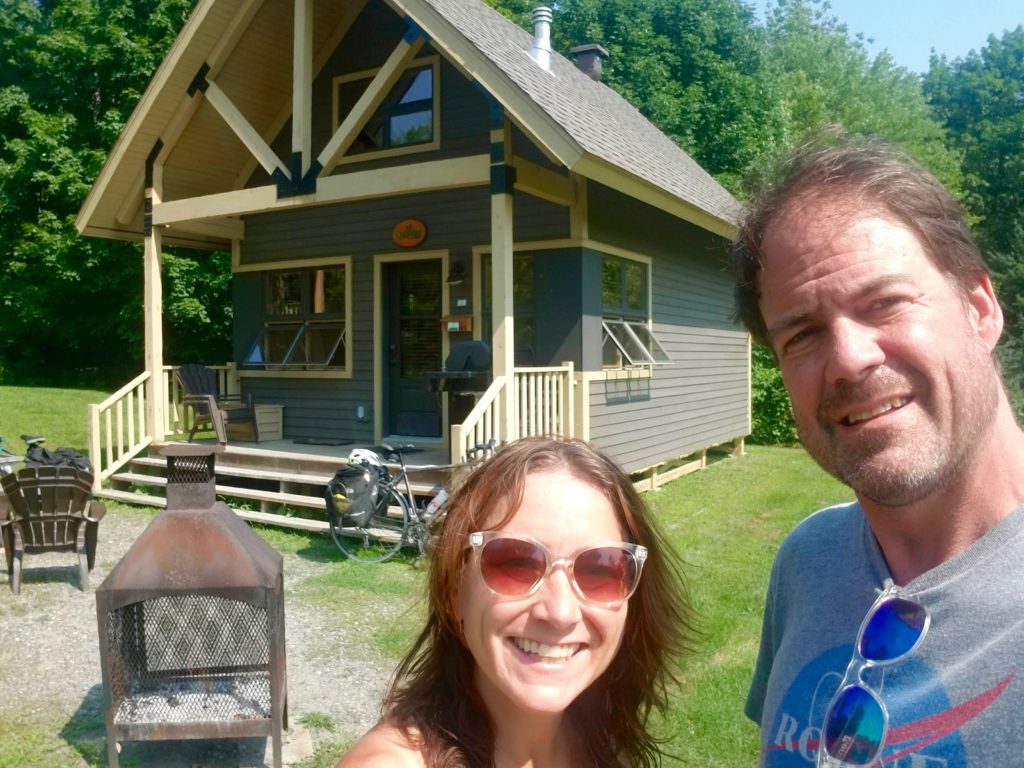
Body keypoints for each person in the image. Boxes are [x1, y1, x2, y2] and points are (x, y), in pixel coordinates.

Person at [732, 133, 1024, 766]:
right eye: (802, 334)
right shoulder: (808, 563)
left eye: (885, 303)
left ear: (980, 310)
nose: (847, 358)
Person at [336, 435, 694, 767]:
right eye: (515, 563)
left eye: (600, 570)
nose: (560, 612)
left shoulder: (604, 738)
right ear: (454, 590)